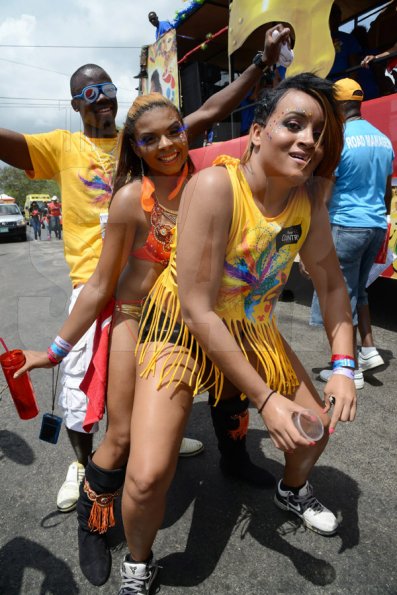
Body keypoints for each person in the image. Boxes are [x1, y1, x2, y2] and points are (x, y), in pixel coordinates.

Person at [15, 26, 294, 587]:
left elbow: (216, 105)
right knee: (120, 436)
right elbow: (99, 286)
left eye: (174, 133)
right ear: (135, 147)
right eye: (152, 140)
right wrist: (55, 349)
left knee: (232, 391)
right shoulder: (127, 200)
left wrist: (262, 70)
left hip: (202, 313)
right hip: (138, 319)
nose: (168, 145)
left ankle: (235, 461)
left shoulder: (205, 178)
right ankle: (95, 526)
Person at [115, 72, 356, 594]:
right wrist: (266, 398)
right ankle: (138, 561)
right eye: (293, 124)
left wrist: (343, 367)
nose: (308, 140)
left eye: (318, 132)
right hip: (181, 324)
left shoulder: (307, 202)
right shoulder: (215, 186)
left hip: (251, 327)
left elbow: (333, 285)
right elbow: (198, 309)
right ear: (257, 132)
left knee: (317, 427)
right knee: (148, 475)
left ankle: (291, 490)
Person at [310, 78, 393, 388]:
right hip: (374, 225)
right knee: (358, 288)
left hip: (345, 224)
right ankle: (369, 349)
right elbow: (387, 193)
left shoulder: (339, 140)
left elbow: (326, 194)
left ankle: (349, 368)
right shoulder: (383, 139)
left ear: (337, 106)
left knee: (337, 295)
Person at [327, 3, 362, 81]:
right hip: (322, 86)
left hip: (342, 86)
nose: (335, 18)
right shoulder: (319, 40)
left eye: (337, 14)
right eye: (332, 14)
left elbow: (354, 67)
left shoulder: (349, 39)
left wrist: (350, 86)